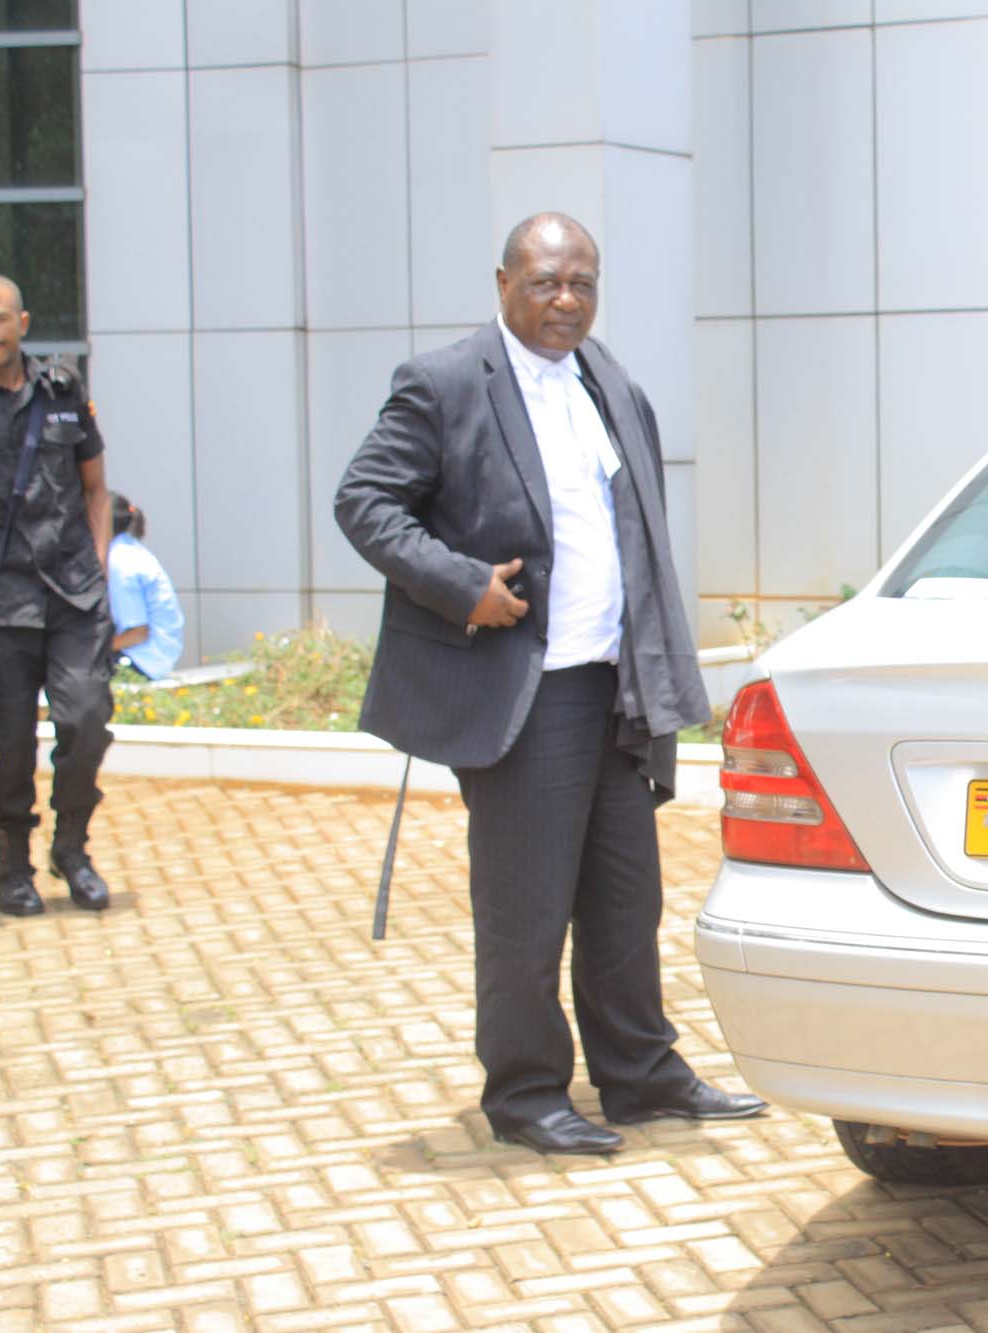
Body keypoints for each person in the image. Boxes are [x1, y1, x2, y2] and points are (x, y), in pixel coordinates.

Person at [335, 212, 764, 1155]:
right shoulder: (445, 384)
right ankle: (527, 1093)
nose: (566, 300)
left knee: (625, 898)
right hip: (526, 694)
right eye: (545, 282)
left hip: (616, 684)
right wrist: (462, 586)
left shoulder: (606, 379)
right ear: (504, 284)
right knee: (526, 910)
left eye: (582, 283)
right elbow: (363, 500)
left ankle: (641, 1075)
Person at [0, 273, 114, 916]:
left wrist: (99, 570)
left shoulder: (62, 390)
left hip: (75, 596)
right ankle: (13, 867)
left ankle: (72, 849)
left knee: (86, 719)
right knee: (12, 744)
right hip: (1, 605)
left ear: (22, 323)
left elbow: (96, 489)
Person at [106, 494, 184, 680]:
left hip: (141, 661)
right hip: (158, 656)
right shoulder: (129, 549)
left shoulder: (119, 561)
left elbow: (138, 633)